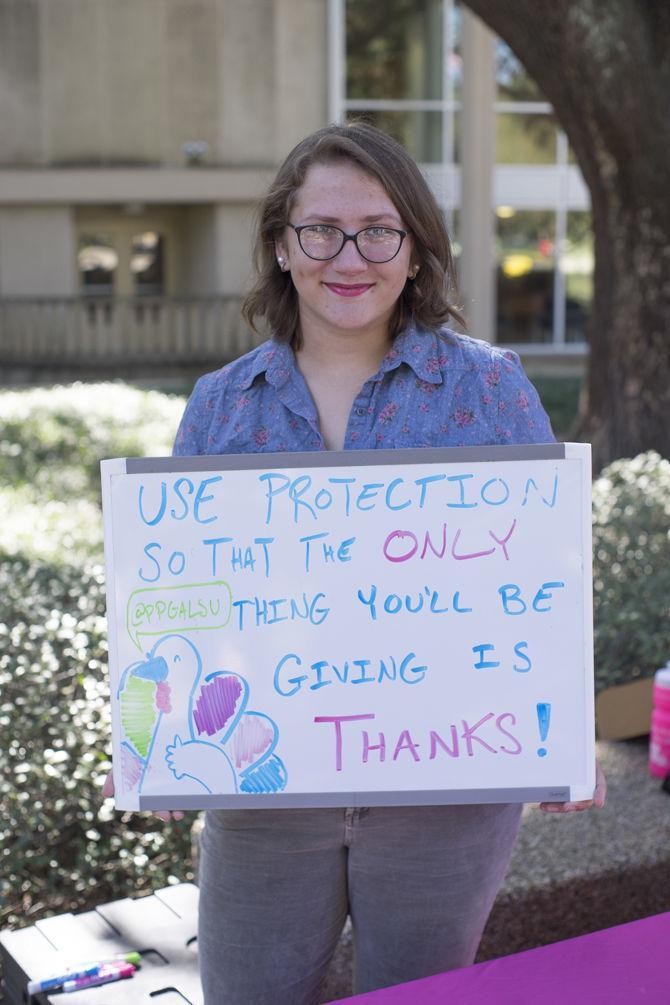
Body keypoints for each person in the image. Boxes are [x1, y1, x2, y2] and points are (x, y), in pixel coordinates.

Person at [109, 122, 606, 1004]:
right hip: (266, 795)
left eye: (380, 230)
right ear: (282, 246)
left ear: (415, 252)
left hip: (445, 797)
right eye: (321, 229)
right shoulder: (223, 406)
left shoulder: (488, 389)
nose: (351, 255)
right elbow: (179, 603)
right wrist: (154, 729)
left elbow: (545, 578)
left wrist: (565, 731)